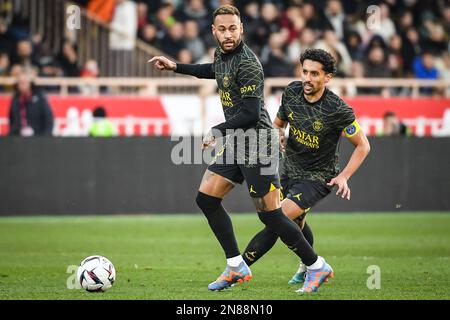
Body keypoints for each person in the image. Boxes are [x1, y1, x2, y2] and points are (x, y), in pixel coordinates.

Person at [149, 5, 333, 293]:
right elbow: (212, 71)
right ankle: (235, 265)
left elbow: (250, 113)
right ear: (214, 31)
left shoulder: (248, 64)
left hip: (259, 144)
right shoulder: (222, 57)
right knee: (206, 199)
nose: (228, 34)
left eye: (233, 28)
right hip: (238, 143)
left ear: (242, 29)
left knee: (272, 216)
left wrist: (216, 130)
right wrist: (176, 66)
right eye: (222, 29)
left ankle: (316, 266)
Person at [241, 48, 371, 292]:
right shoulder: (291, 92)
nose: (307, 78)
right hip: (288, 170)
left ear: (327, 77)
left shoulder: (337, 109)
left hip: (317, 178)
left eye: (314, 74)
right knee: (296, 221)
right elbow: (278, 124)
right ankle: (307, 263)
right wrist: (277, 135)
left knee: (276, 219)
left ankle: (239, 266)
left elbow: (363, 146)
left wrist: (343, 176)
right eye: (304, 72)